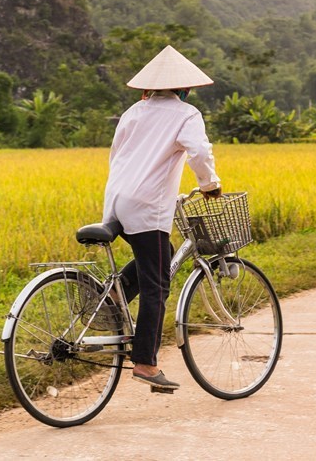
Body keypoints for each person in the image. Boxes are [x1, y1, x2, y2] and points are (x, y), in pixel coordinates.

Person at [102, 46, 222, 392]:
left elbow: (118, 155)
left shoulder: (133, 111)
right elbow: (198, 152)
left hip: (118, 199)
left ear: (150, 87)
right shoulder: (186, 114)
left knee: (160, 255)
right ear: (184, 88)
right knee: (157, 285)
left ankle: (115, 294)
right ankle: (145, 363)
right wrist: (210, 184)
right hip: (147, 205)